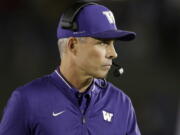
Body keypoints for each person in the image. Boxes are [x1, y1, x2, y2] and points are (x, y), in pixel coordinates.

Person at [0, 2, 141, 135]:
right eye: (103, 43)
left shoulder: (120, 103)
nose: (113, 53)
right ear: (73, 45)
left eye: (113, 43)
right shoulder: (27, 100)